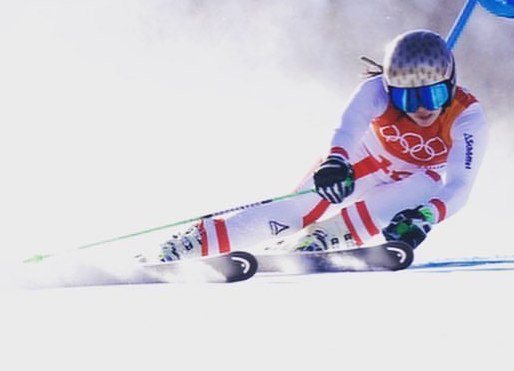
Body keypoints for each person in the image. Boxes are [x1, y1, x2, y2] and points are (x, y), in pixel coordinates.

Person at [157, 29, 487, 262]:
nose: (420, 108)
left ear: (451, 85)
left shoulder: (466, 116)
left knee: (429, 183)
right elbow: (349, 127)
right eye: (407, 96)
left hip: (409, 183)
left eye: (433, 94)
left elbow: (459, 186)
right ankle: (195, 242)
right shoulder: (376, 91)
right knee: (296, 212)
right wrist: (335, 161)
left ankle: (323, 239)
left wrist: (426, 216)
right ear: (390, 89)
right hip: (363, 161)